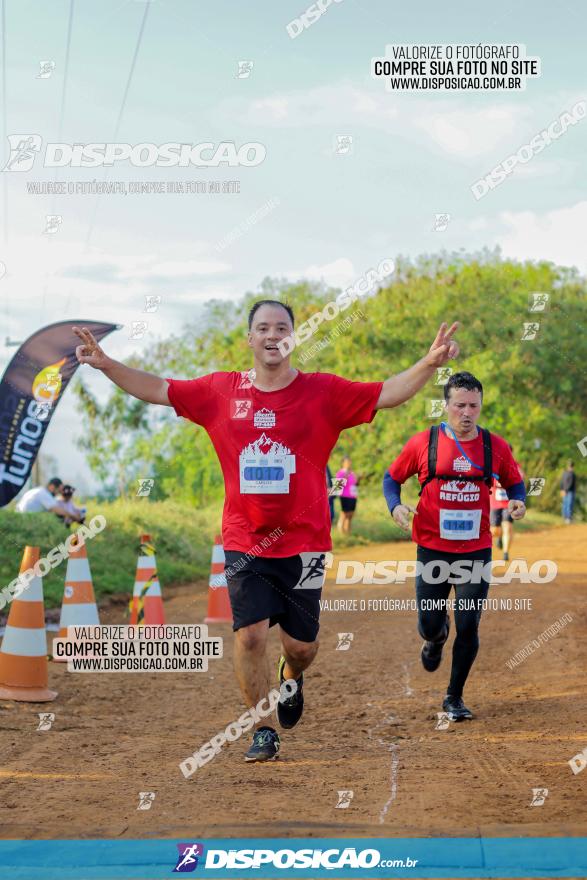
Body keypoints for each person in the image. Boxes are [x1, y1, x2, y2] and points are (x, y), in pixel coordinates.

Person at [73, 304, 460, 761]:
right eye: (263, 328)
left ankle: (291, 677)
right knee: (249, 635)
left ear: (293, 338)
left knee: (302, 647)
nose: (272, 335)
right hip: (244, 539)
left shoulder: (323, 391)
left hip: (306, 543)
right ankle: (261, 729)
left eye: (282, 328)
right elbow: (158, 388)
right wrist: (106, 364)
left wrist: (428, 363)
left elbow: (387, 393)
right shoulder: (220, 391)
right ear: (249, 339)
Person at [383, 371, 526, 722]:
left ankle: (454, 696)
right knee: (430, 623)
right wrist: (395, 505)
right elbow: (391, 478)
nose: (466, 412)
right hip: (432, 548)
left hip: (475, 549)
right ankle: (434, 638)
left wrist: (519, 502)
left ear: (480, 407)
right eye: (459, 405)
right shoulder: (424, 443)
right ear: (446, 405)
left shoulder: (495, 446)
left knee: (469, 624)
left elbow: (516, 483)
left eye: (473, 406)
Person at [490, 444, 524, 561]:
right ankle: (499, 538)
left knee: (507, 527)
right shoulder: (494, 464)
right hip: (495, 502)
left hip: (509, 503)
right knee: (495, 530)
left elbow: (520, 481)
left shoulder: (516, 466)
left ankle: (505, 553)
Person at [15, 477, 83, 522]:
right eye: (58, 491)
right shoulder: (45, 494)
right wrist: (74, 517)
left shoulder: (38, 490)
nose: (58, 494)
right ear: (52, 487)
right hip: (25, 520)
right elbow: (58, 511)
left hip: (20, 517)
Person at [336, 457, 359, 535]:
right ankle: (340, 532)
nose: (349, 463)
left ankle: (347, 532)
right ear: (343, 463)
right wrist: (345, 476)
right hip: (344, 496)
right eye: (347, 462)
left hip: (353, 496)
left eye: (350, 462)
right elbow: (338, 487)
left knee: (350, 515)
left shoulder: (352, 473)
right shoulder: (340, 473)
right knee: (344, 514)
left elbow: (354, 484)